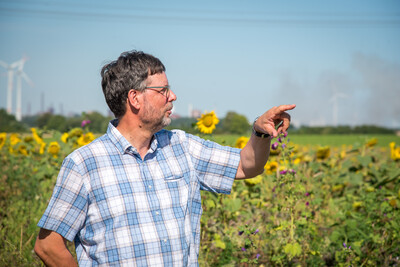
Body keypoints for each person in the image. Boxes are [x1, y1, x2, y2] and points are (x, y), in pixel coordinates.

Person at [34, 50, 295, 266]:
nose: (173, 96)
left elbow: (246, 165)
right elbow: (48, 245)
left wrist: (260, 133)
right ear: (135, 98)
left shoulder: (182, 146)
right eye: (163, 90)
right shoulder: (84, 163)